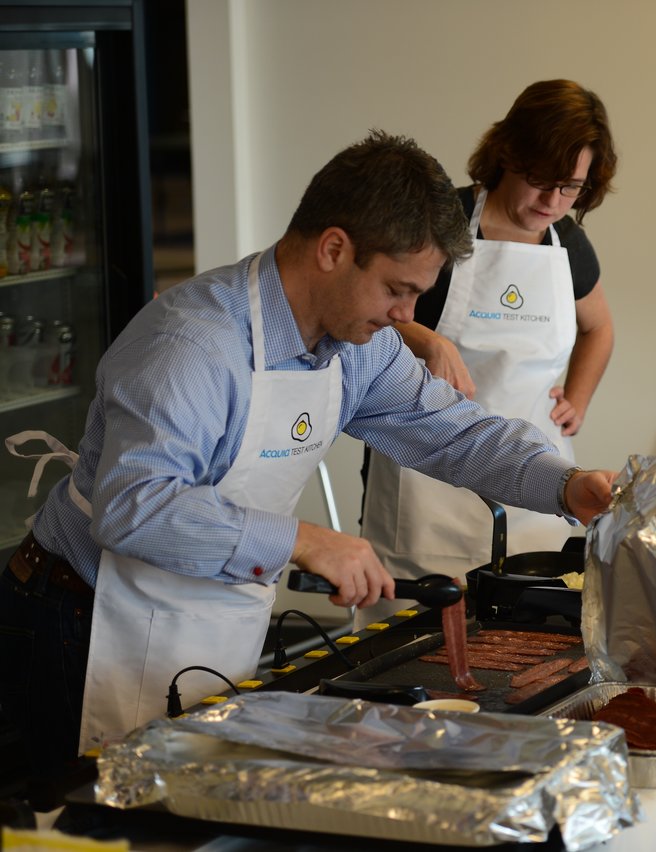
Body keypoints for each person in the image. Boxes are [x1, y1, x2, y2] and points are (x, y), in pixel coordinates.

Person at [0, 130, 615, 805]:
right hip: (82, 622)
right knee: (96, 829)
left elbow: (452, 434)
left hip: (206, 618)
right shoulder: (193, 343)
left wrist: (562, 483)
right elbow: (135, 506)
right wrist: (304, 539)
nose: (407, 317)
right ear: (333, 250)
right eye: (396, 290)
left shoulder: (358, 345)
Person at [360, 80, 616, 620]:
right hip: (426, 484)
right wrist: (427, 339)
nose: (552, 202)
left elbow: (599, 328)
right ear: (507, 154)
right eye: (540, 182)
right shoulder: (438, 222)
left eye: (570, 188)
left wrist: (578, 398)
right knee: (420, 635)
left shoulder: (566, 243)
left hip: (535, 485)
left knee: (527, 639)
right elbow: (366, 312)